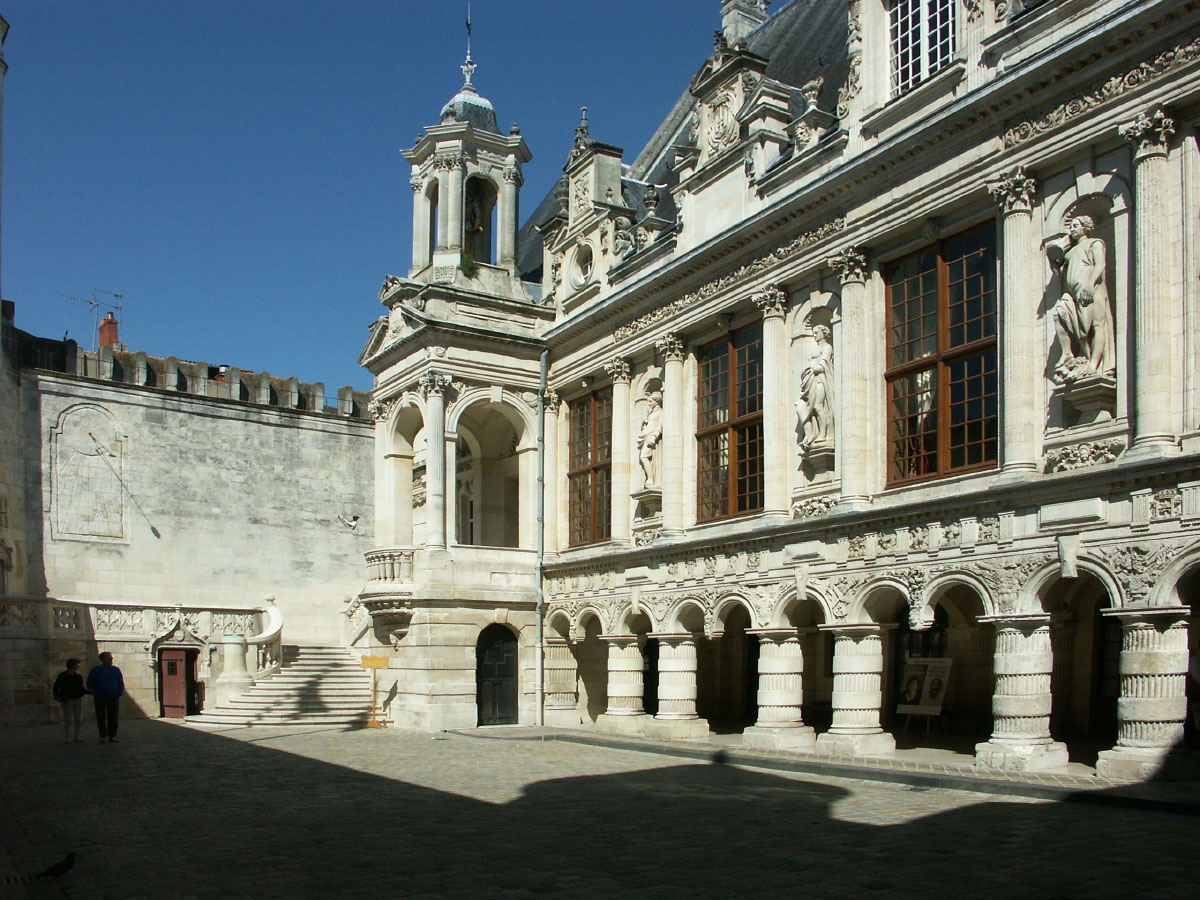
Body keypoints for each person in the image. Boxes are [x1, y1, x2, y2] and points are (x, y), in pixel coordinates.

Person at [1049, 214, 1115, 382]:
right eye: (1071, 226)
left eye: (1075, 226)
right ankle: (1068, 354)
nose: (1072, 229)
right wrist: (1054, 262)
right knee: (1059, 312)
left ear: (1085, 227)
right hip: (1074, 294)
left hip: (1091, 290)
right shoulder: (1070, 253)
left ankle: (1094, 364)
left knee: (1097, 325)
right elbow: (1061, 276)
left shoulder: (1095, 243)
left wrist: (1090, 285)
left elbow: (1100, 264)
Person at [796, 324, 834, 455]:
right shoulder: (817, 348)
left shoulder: (827, 347)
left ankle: (824, 434)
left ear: (824, 332)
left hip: (820, 379)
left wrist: (815, 369)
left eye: (817, 332)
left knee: (818, 406)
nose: (815, 335)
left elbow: (823, 363)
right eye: (813, 332)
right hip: (810, 380)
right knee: (801, 406)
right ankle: (811, 434)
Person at [86, 652, 125, 742]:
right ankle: (102, 735)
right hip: (100, 695)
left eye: (111, 658)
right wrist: (92, 689)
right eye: (109, 658)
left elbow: (120, 681)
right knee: (100, 716)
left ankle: (112, 735)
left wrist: (120, 692)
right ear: (103, 659)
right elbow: (90, 681)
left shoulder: (115, 670)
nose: (111, 660)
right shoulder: (96, 670)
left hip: (113, 695)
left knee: (113, 716)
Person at [52, 658, 88, 743]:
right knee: (68, 719)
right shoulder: (62, 676)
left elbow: (81, 688)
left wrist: (88, 692)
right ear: (72, 665)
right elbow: (56, 687)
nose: (78, 666)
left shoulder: (78, 676)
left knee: (78, 719)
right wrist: (57, 696)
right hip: (67, 699)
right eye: (77, 664)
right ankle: (68, 737)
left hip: (78, 698)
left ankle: (77, 736)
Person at [637, 391, 664, 488]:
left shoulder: (660, 412)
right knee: (644, 457)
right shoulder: (651, 414)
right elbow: (646, 416)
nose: (649, 403)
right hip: (646, 437)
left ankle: (651, 479)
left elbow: (661, 425)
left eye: (650, 401)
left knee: (644, 457)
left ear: (657, 402)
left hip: (651, 438)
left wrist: (654, 437)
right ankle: (649, 479)